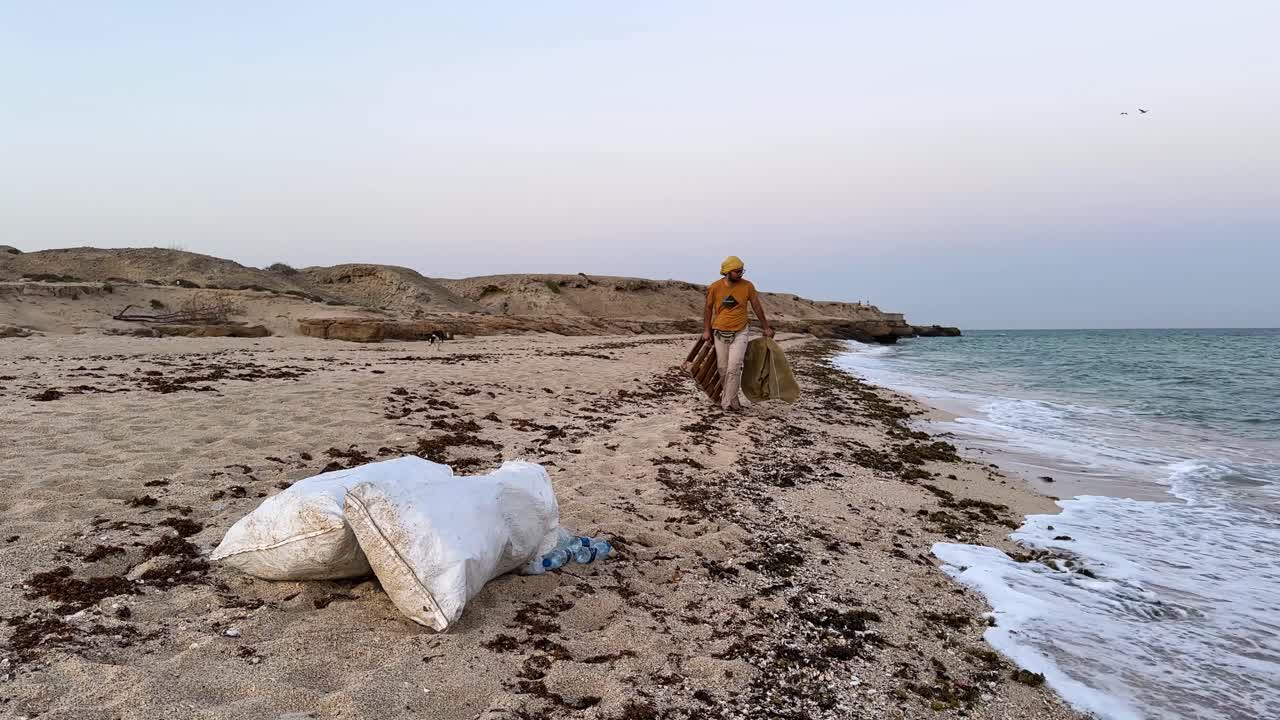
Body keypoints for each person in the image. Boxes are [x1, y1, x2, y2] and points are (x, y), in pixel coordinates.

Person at [703, 255, 774, 411]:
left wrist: (766, 327)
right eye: (737, 271)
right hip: (719, 332)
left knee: (734, 367)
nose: (741, 274)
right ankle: (733, 400)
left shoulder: (747, 286)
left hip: (740, 331)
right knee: (722, 369)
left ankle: (726, 403)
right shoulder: (715, 287)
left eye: (742, 271)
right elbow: (708, 308)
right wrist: (707, 330)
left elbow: (757, 307)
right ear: (727, 272)